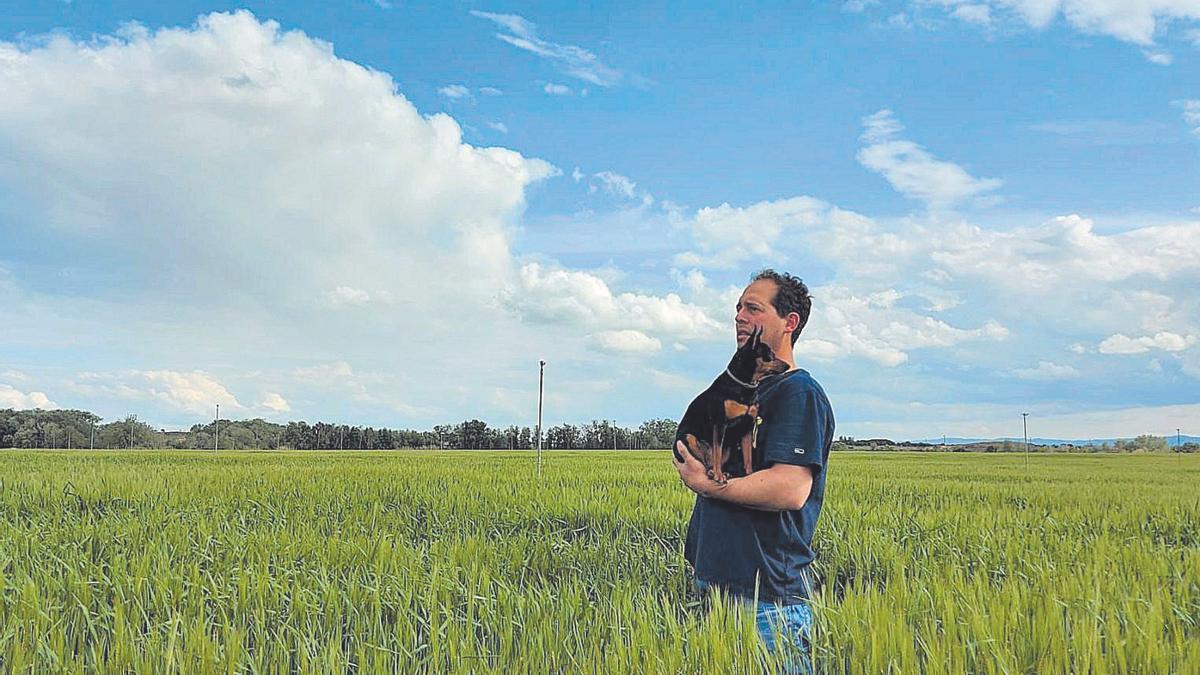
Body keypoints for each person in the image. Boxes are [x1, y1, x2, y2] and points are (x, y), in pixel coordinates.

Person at [673, 269, 834, 674]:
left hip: (766, 601)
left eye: (753, 308)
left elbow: (790, 488)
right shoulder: (743, 392)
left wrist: (707, 486)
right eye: (738, 308)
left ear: (789, 322)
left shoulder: (798, 392)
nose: (739, 317)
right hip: (716, 586)